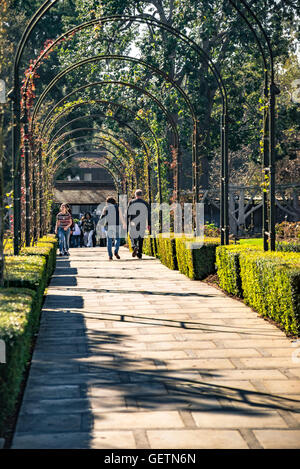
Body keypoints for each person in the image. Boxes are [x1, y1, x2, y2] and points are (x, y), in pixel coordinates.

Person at [127, 189, 151, 259]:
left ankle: (134, 246)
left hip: (133, 222)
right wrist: (149, 224)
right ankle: (139, 253)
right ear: (141, 195)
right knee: (141, 238)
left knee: (132, 235)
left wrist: (126, 221)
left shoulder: (131, 202)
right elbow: (148, 214)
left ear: (135, 195)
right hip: (142, 222)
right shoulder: (145, 203)